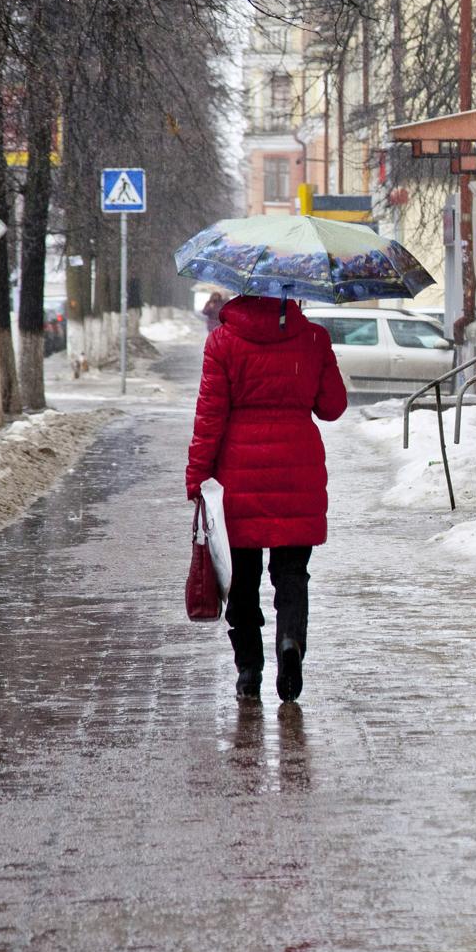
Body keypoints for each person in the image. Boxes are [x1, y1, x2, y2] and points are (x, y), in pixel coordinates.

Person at [185, 295, 348, 704]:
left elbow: (210, 415)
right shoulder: (313, 338)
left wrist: (198, 476)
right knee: (292, 574)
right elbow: (332, 407)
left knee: (241, 581)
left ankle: (249, 669)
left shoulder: (223, 342)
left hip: (238, 476)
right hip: (298, 471)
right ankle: (290, 641)